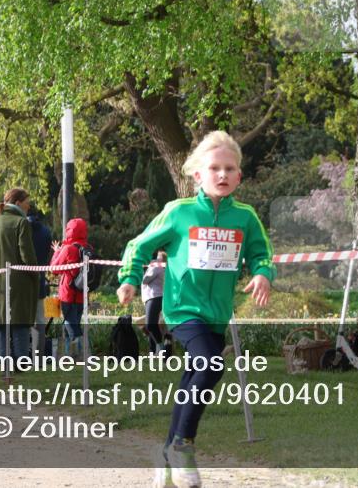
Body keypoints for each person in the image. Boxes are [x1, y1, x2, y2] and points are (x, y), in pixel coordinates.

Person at [117, 131, 274, 488]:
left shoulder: (246, 218)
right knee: (211, 363)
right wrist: (129, 278)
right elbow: (138, 245)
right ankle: (184, 446)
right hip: (183, 308)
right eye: (214, 168)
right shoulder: (179, 212)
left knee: (194, 376)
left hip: (217, 312)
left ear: (239, 176)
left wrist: (263, 274)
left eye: (229, 169)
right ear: (198, 176)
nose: (222, 175)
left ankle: (167, 449)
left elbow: (261, 253)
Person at [0, 188, 38, 361]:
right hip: (19, 283)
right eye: (27, 202)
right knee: (20, 328)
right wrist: (36, 277)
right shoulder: (22, 223)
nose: (29, 206)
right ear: (18, 203)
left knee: (0, 330)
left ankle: (0, 367)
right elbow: (27, 256)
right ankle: (21, 366)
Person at [50, 218, 91, 357]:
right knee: (75, 323)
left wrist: (57, 251)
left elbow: (54, 269)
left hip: (68, 292)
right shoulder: (88, 248)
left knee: (69, 323)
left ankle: (82, 352)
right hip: (82, 294)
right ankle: (71, 354)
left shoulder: (68, 249)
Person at [27, 206, 53, 358]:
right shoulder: (46, 231)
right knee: (39, 321)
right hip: (40, 281)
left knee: (21, 323)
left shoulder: (22, 230)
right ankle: (39, 357)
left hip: (22, 282)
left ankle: (22, 356)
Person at [141, 250, 170, 355]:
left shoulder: (156, 266)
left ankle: (161, 348)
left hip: (154, 297)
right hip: (155, 297)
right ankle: (156, 350)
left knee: (150, 325)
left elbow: (145, 280)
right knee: (153, 325)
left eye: (158, 257)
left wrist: (140, 271)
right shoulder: (162, 267)